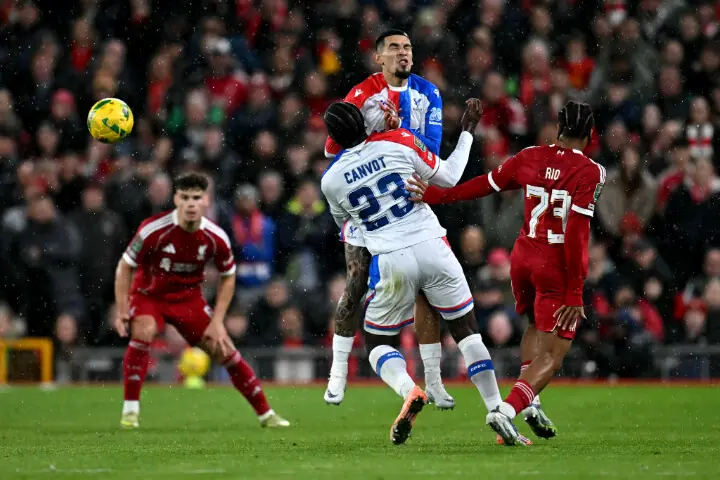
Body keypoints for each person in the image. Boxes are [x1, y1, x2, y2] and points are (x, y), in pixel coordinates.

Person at [321, 99, 524, 446]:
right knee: (467, 332)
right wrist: (467, 133)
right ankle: (496, 410)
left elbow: (350, 229)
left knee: (378, 342)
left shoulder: (331, 181)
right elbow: (449, 176)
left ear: (333, 140)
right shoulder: (399, 139)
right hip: (432, 244)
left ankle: (409, 388)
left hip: (391, 257)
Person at [407, 101, 605, 444]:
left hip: (523, 258)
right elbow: (575, 233)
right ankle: (506, 410)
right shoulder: (591, 171)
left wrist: (439, 196)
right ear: (590, 136)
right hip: (555, 267)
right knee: (554, 355)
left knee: (531, 325)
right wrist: (575, 291)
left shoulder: (531, 155)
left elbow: (485, 184)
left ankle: (532, 404)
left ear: (557, 130)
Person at [323, 29, 453, 412]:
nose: (403, 53)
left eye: (408, 47)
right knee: (355, 283)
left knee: (428, 290)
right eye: (394, 47)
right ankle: (337, 374)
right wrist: (376, 131)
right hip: (365, 205)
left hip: (408, 196)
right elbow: (333, 146)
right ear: (378, 57)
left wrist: (396, 131)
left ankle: (435, 381)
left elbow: (429, 150)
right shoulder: (362, 95)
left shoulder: (428, 94)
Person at [113, 172, 289, 429]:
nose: (191, 204)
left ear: (206, 200)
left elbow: (229, 277)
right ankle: (130, 411)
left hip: (188, 300)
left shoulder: (215, 236)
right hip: (150, 294)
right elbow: (125, 266)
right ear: (176, 199)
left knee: (225, 349)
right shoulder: (154, 229)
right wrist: (121, 310)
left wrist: (217, 321)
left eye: (197, 197)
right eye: (185, 197)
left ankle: (266, 414)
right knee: (144, 330)